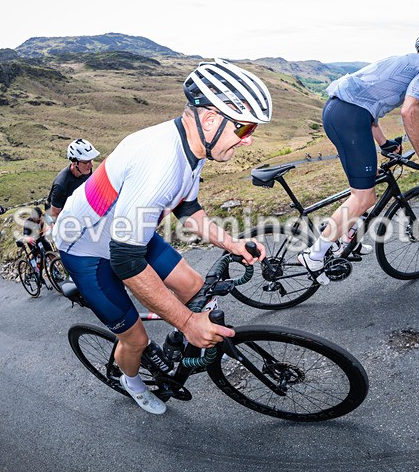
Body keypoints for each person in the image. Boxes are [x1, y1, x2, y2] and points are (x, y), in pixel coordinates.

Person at [53, 58, 271, 415]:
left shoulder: (194, 145)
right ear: (213, 120)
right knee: (135, 338)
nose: (247, 142)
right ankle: (132, 382)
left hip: (127, 233)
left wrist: (230, 243)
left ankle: (178, 344)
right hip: (87, 250)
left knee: (194, 286)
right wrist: (186, 322)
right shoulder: (161, 164)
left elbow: (188, 208)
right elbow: (125, 261)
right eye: (245, 130)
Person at [297, 32, 419, 284]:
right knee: (364, 197)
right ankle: (314, 255)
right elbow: (410, 110)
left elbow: (367, 102)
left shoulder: (403, 61)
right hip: (350, 117)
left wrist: (385, 143)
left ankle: (346, 237)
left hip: (340, 111)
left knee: (366, 185)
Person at [46, 139, 100, 222]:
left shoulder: (86, 171)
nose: (91, 165)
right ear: (75, 163)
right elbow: (54, 214)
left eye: (91, 160)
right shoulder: (61, 184)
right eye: (86, 162)